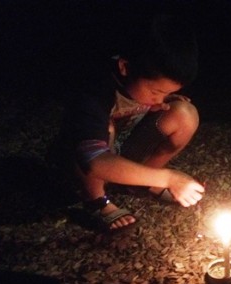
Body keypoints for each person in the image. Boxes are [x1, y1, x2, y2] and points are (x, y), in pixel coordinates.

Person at [48, 14, 204, 232]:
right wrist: (169, 178)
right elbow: (93, 160)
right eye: (156, 91)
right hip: (85, 161)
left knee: (184, 114)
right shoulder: (94, 90)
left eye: (167, 92)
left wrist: (162, 101)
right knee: (106, 129)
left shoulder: (145, 87)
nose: (160, 98)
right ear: (125, 67)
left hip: (122, 149)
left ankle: (145, 179)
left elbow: (150, 103)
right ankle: (96, 200)